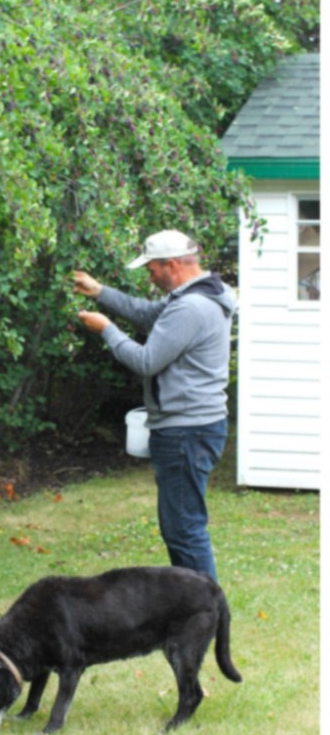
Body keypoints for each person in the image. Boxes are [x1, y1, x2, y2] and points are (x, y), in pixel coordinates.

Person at [72, 230, 236, 581]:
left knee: (184, 531)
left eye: (151, 269)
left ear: (172, 265)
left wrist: (107, 330)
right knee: (182, 526)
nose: (149, 275)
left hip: (185, 433)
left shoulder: (191, 308)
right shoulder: (199, 294)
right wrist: (100, 292)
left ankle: (202, 612)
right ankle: (192, 609)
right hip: (194, 426)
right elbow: (148, 315)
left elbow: (147, 361)